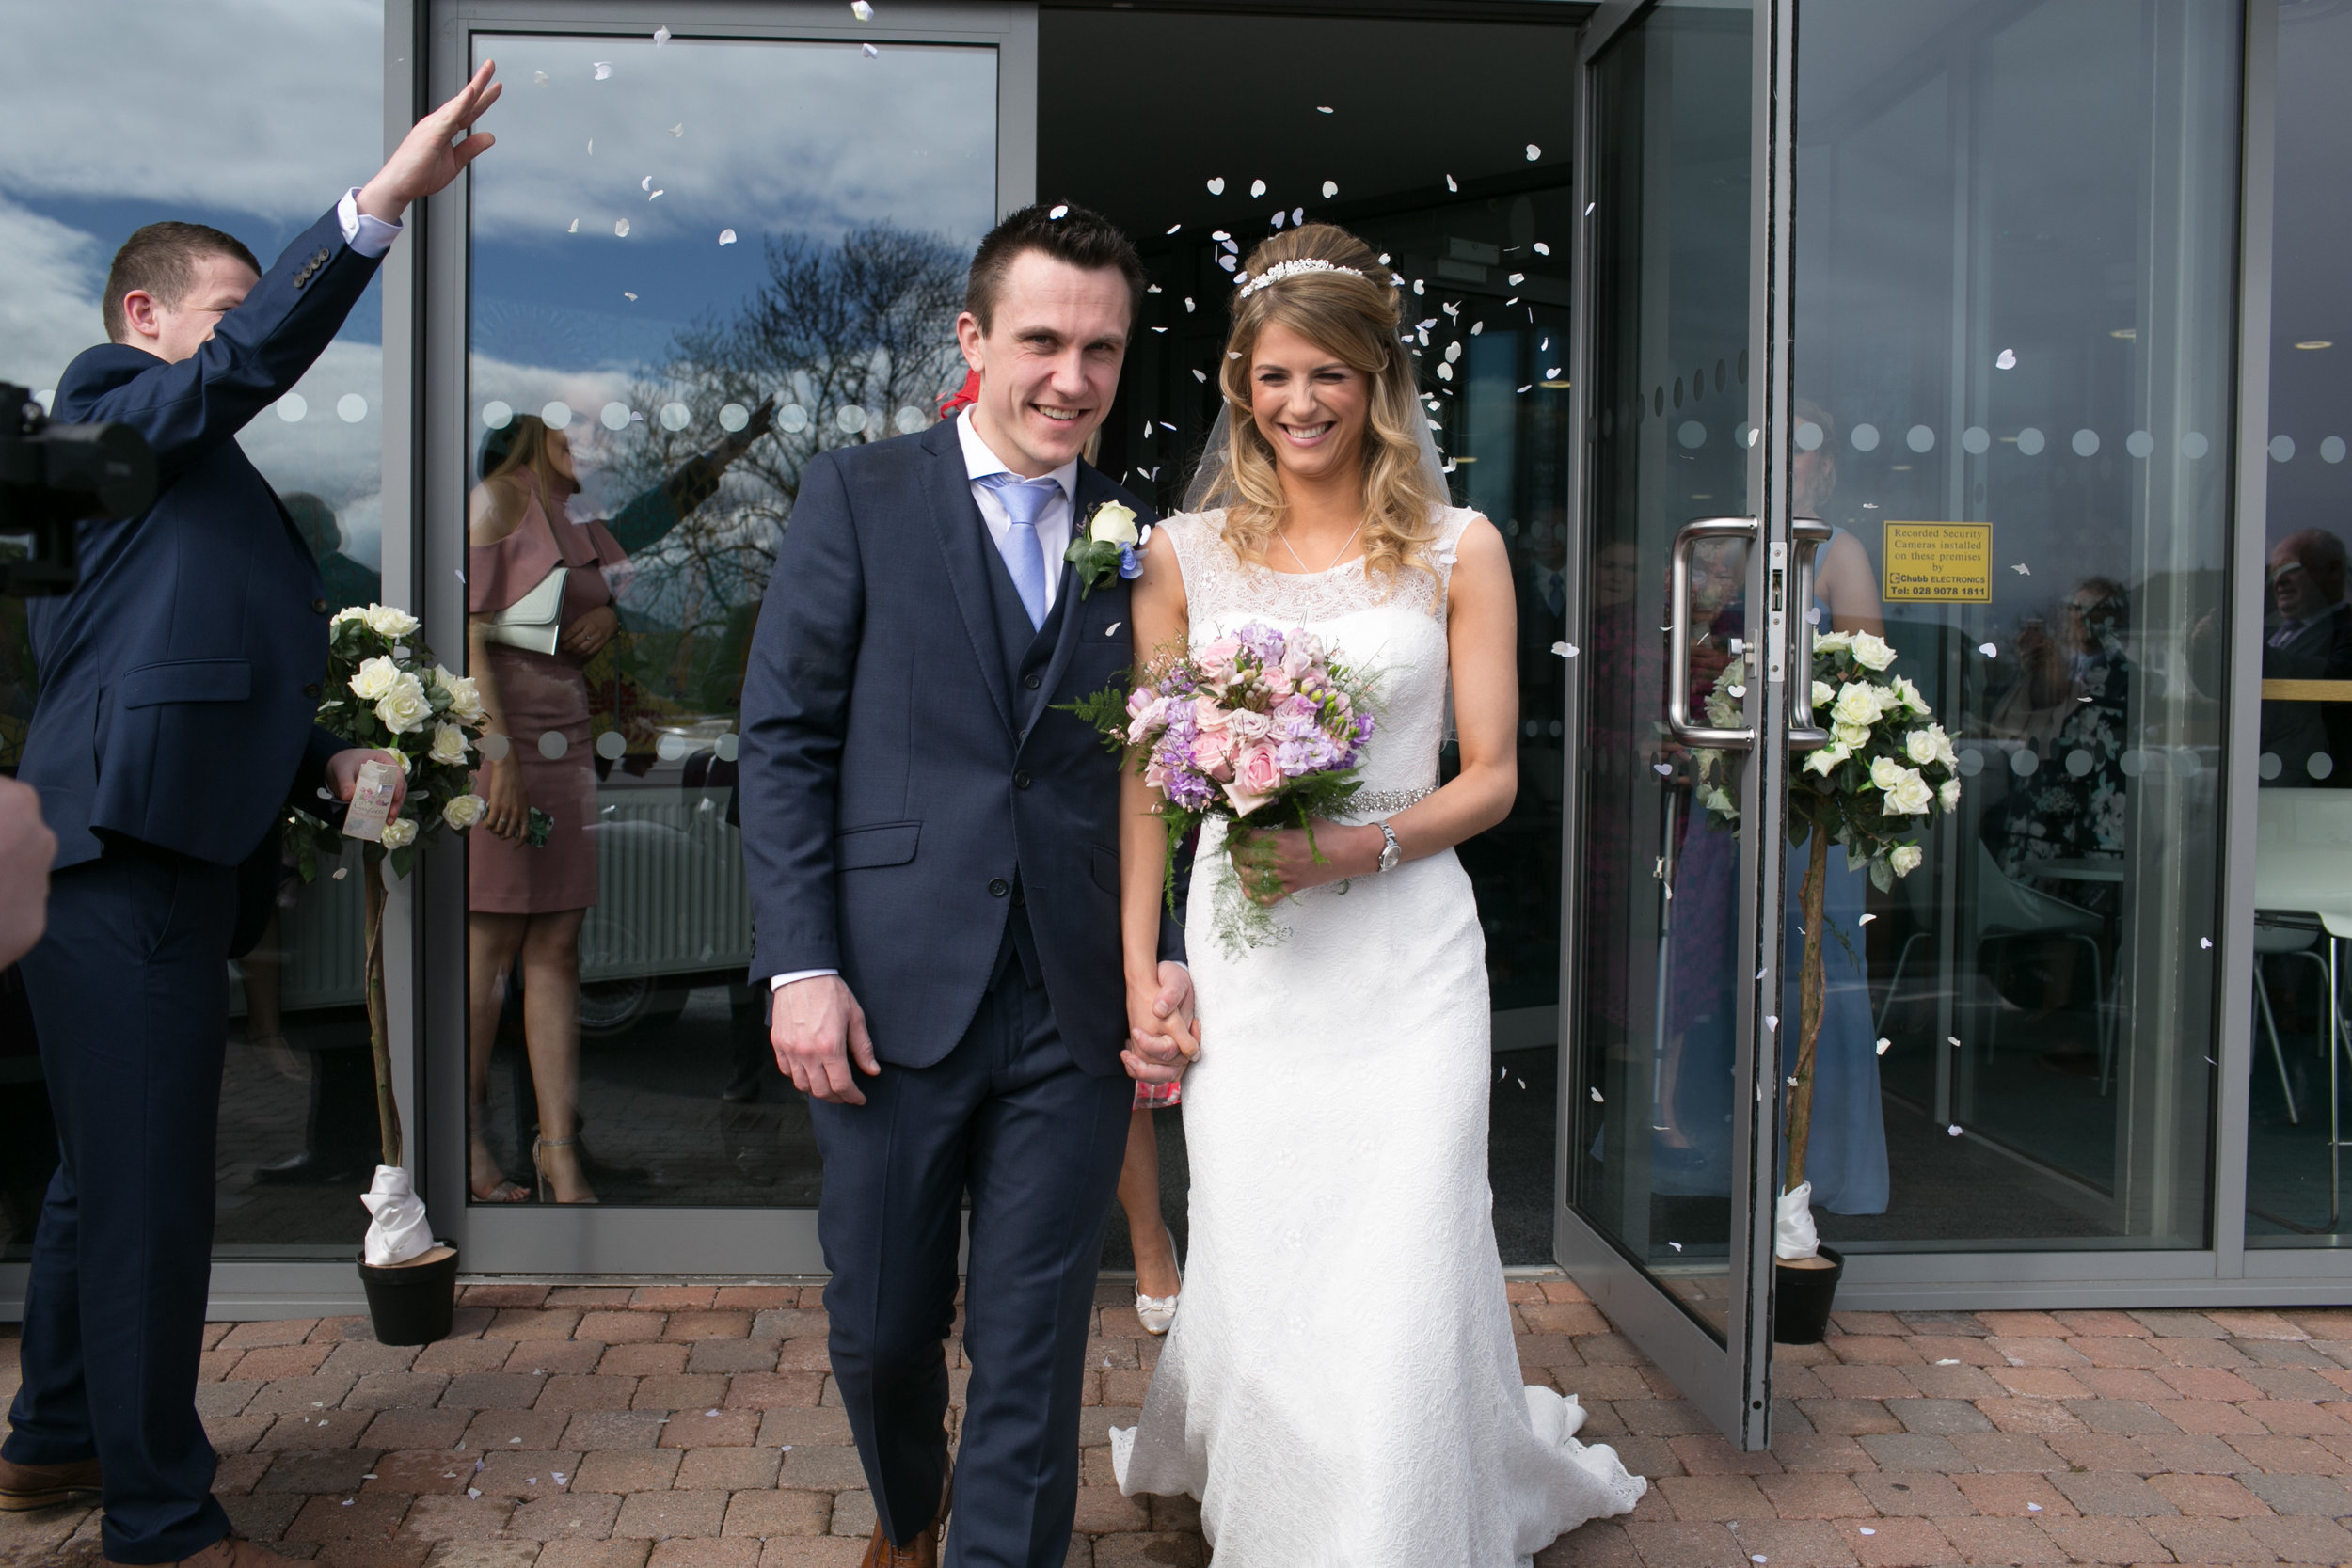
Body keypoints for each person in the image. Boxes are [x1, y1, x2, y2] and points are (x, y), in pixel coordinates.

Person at [0, 66, 502, 1568]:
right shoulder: (109, 412)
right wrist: (375, 210)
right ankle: (160, 1519)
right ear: (140, 323)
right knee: (154, 1204)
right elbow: (235, 371)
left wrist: (328, 765)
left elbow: (216, 672)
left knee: (107, 1177)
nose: (244, 331)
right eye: (226, 305)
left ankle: (52, 1440)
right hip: (116, 856)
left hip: (166, 855)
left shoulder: (210, 494)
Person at [1108, 224, 1645, 1563]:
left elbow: (1496, 776)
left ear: (1376, 381)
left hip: (1408, 959)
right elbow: (1148, 780)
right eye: (1278, 375)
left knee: (1406, 1256)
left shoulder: (1460, 548)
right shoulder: (1183, 554)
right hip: (1258, 969)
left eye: (1331, 375)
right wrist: (1142, 964)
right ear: (1240, 382)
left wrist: (1354, 846)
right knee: (1272, 1239)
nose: (1303, 403)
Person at [738, 200, 1194, 1568]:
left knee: (1033, 1333)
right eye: (1045, 340)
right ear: (973, 337)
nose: (1073, 377)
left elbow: (1161, 771)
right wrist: (801, 964)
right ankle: (906, 1509)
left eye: (1102, 349)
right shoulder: (858, 494)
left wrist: (1159, 949)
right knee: (881, 1323)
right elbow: (784, 737)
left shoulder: (1146, 541)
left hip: (1069, 1000)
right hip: (885, 990)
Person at [463, 408, 771, 1204]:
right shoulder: (498, 497)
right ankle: (460, 1141)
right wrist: (497, 759)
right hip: (507, 743)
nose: (591, 447)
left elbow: (656, 515)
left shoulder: (579, 521)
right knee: (489, 950)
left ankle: (559, 1152)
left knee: (557, 946)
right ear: (534, 439)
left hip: (566, 740)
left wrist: (731, 446)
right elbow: (465, 630)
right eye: (574, 434)